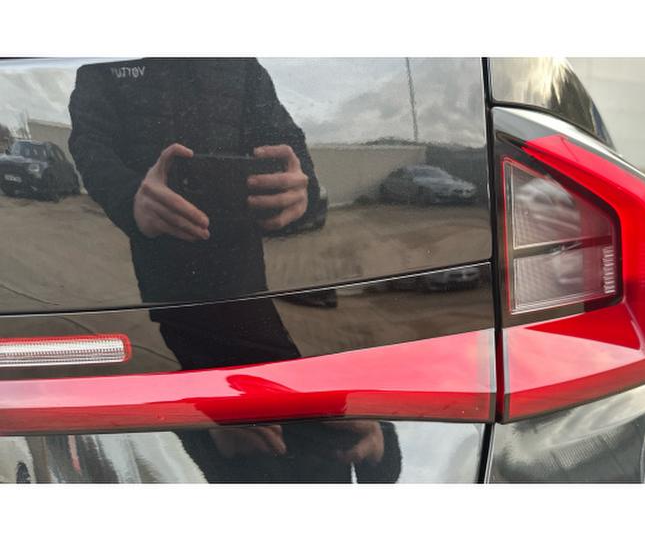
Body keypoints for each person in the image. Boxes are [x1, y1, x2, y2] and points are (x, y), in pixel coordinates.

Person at [68, 58, 401, 483]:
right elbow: (90, 147)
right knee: (241, 437)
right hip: (173, 293)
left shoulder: (240, 66)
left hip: (245, 283)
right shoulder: (103, 64)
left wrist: (302, 189)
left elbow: (289, 147)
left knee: (297, 420)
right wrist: (129, 198)